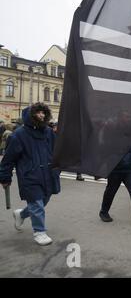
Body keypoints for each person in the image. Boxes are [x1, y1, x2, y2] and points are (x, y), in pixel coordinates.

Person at [0, 103, 60, 246]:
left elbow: (56, 151)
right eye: (38, 112)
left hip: (48, 174)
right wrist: (4, 177)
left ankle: (20, 214)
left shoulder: (48, 132)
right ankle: (39, 231)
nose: (42, 115)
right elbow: (8, 159)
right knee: (37, 204)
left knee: (42, 202)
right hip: (29, 176)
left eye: (43, 113)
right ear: (30, 115)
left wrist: (58, 166)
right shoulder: (18, 135)